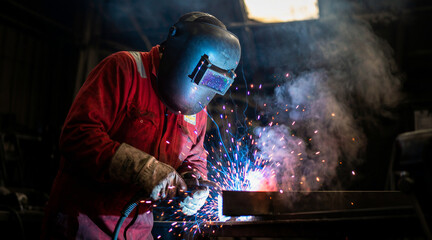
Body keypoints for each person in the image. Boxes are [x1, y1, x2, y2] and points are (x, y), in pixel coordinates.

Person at [41, 12, 241, 239]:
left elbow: (194, 159)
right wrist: (142, 168)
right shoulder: (124, 69)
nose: (203, 87)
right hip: (82, 225)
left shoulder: (197, 108)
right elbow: (76, 136)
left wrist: (194, 181)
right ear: (182, 54)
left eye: (214, 82)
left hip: (138, 232)